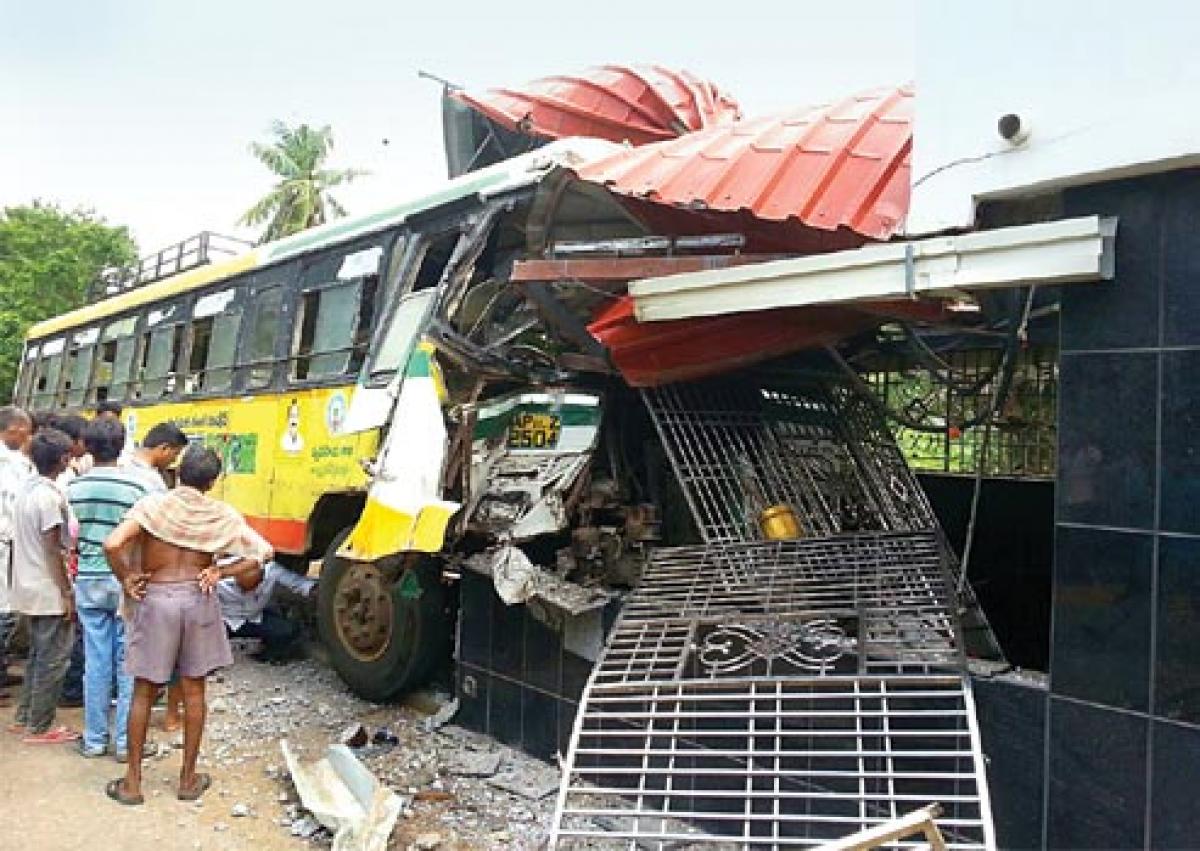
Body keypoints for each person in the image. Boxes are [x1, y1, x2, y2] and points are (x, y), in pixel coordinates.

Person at [103, 445, 272, 805]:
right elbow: (263, 552)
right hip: (198, 600)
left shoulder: (153, 506)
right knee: (195, 691)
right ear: (212, 482)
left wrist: (128, 577)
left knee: (144, 692)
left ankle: (132, 784)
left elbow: (113, 543)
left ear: (178, 473)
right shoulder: (221, 514)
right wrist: (221, 571)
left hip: (157, 599)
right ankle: (187, 780)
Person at [67, 419, 150, 760]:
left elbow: (67, 538)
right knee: (128, 662)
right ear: (122, 445)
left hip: (87, 578)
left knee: (95, 660)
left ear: (85, 445)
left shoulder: (72, 489)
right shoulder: (136, 489)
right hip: (125, 579)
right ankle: (124, 744)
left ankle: (94, 739)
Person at [9, 429, 77, 743]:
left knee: (38, 654)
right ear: (63, 459)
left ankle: (26, 716)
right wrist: (66, 592)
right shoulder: (49, 497)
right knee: (53, 658)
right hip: (47, 587)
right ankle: (41, 725)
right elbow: (53, 550)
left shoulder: (27, 489)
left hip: (26, 583)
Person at [0, 406, 34, 705]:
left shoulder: (13, 461)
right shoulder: (8, 464)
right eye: (26, 430)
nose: (28, 436)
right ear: (13, 430)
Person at [217, 561, 315, 663]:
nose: (249, 593)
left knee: (288, 630)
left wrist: (315, 591)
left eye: (253, 588)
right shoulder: (219, 581)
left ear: (261, 579)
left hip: (254, 619)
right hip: (226, 622)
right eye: (243, 589)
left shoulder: (272, 571)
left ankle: (268, 655)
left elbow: (300, 583)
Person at [123, 421, 187, 494]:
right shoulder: (153, 481)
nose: (174, 460)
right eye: (176, 454)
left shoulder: (120, 463)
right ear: (164, 448)